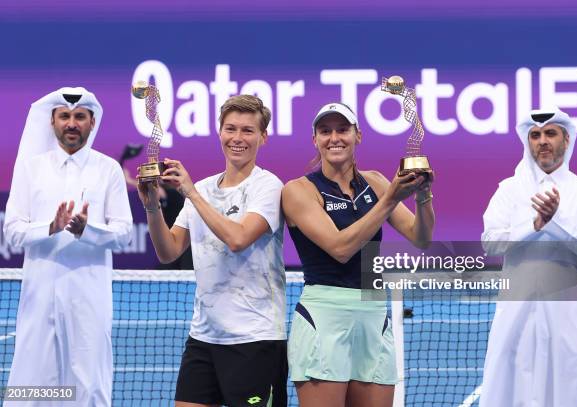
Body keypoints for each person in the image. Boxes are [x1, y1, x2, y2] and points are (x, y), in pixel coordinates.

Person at [137, 95, 287, 407]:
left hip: (254, 339)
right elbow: (170, 251)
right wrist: (151, 206)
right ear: (219, 132)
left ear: (263, 137)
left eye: (248, 131)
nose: (238, 138)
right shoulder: (203, 188)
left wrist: (189, 192)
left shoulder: (268, 187)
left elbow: (239, 238)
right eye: (230, 129)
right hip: (204, 337)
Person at [282, 102, 435, 407]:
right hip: (324, 314)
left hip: (373, 312)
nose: (334, 138)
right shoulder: (299, 190)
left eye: (343, 130)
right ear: (315, 139)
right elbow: (340, 249)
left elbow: (421, 237)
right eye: (325, 131)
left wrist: (423, 195)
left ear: (358, 135)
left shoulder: (376, 182)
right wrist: (390, 199)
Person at [3, 87, 133, 406]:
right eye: (64, 116)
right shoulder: (30, 170)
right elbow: (12, 233)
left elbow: (124, 234)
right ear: (52, 122)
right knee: (33, 386)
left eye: (79, 117)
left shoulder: (108, 170)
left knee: (89, 386)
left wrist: (87, 230)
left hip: (89, 298)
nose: (71, 123)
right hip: (39, 296)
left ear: (91, 122)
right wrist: (50, 228)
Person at [480, 107, 577, 406]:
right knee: (513, 390)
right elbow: (491, 242)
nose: (542, 141)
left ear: (566, 139)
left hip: (571, 314)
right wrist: (534, 225)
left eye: (550, 133)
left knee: (576, 390)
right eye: (535, 135)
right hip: (517, 313)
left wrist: (556, 221)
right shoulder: (509, 190)